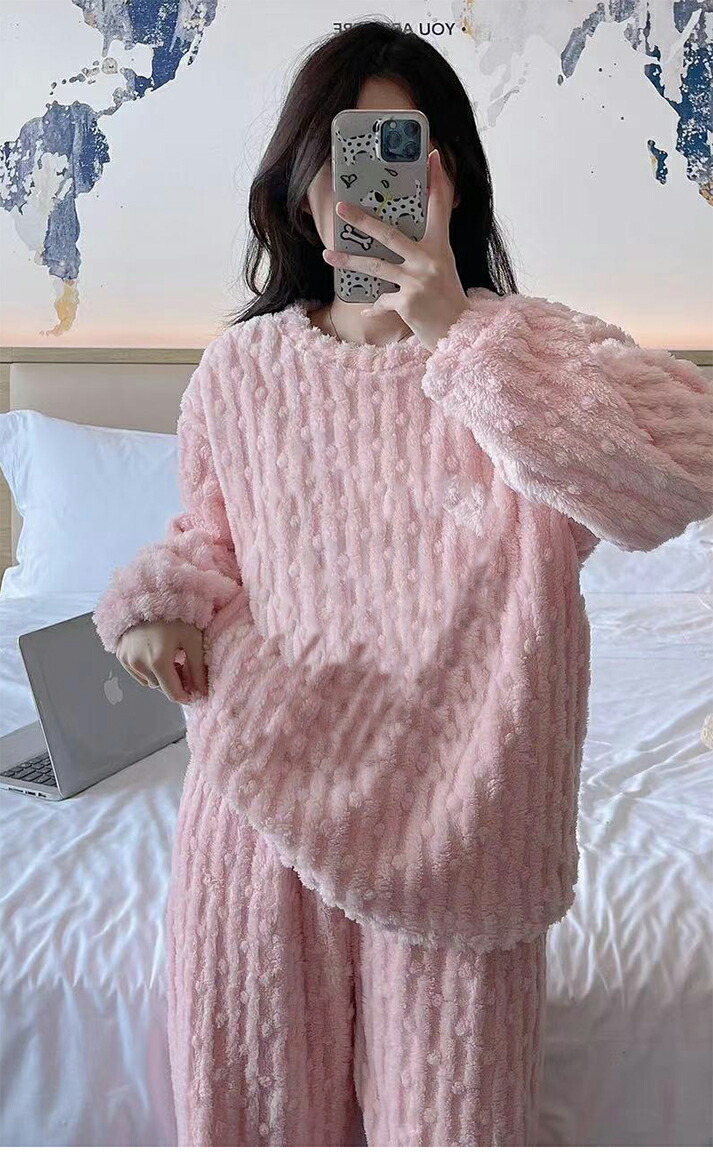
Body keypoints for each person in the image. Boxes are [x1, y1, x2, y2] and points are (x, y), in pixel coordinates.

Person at [92, 20, 713, 1147]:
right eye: (342, 154)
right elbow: (213, 540)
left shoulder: (530, 351)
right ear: (301, 188)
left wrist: (453, 331)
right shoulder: (243, 368)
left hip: (468, 823)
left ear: (448, 176)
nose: (364, 187)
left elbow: (680, 468)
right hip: (264, 797)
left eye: (398, 151)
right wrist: (157, 606)